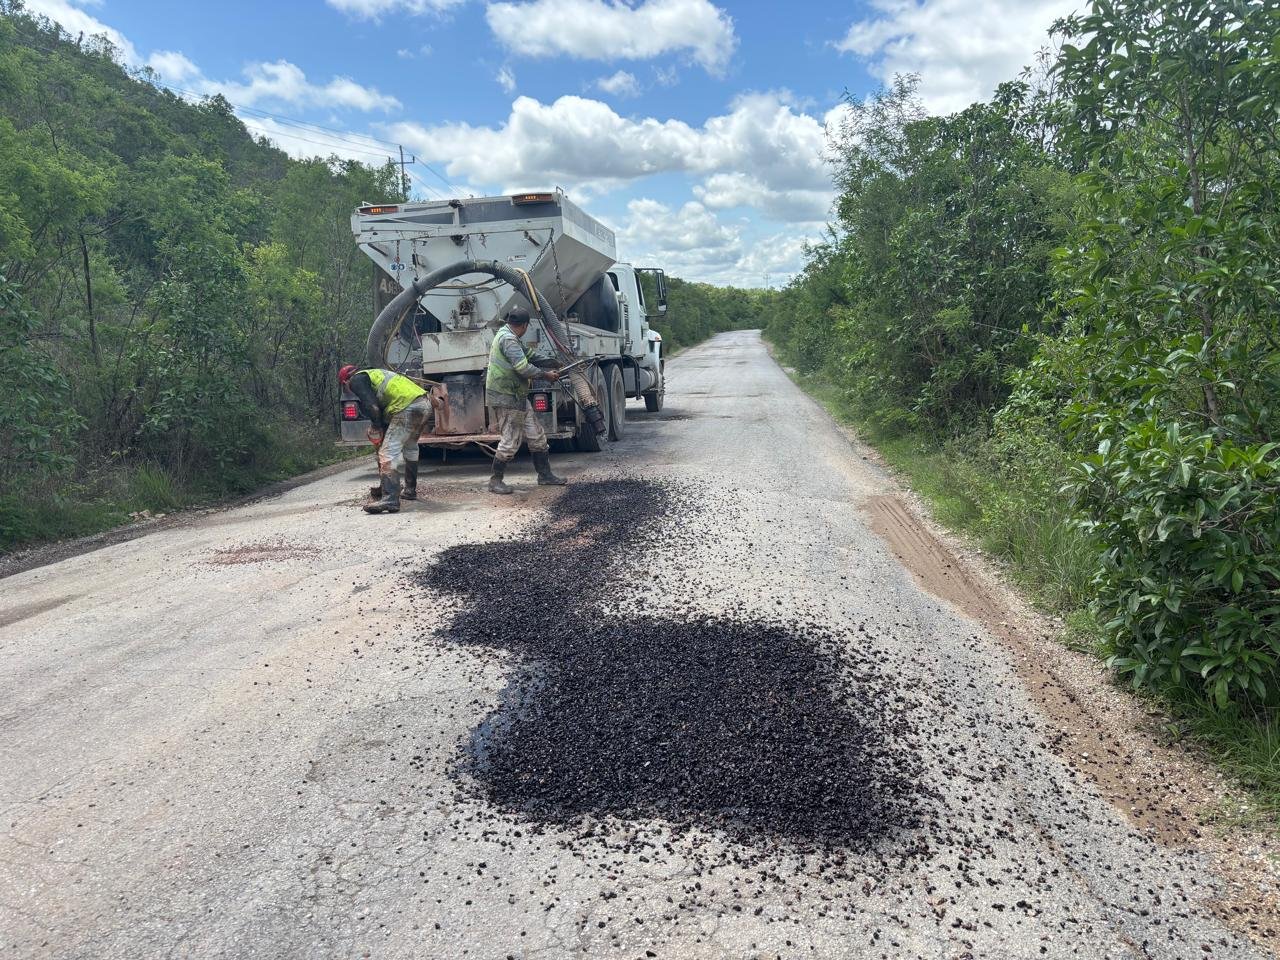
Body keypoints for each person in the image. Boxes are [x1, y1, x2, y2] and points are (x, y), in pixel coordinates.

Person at [485, 306, 567, 494]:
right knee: (510, 440)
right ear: (524, 326)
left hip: (517, 395)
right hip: (506, 396)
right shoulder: (508, 340)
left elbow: (529, 355)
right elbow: (523, 368)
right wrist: (546, 375)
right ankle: (495, 481)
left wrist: (551, 361)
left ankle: (545, 476)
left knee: (537, 436)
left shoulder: (509, 334)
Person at [338, 364, 429, 514]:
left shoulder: (357, 380)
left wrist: (376, 426)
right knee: (411, 447)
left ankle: (391, 499)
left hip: (407, 407)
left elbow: (373, 407)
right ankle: (410, 490)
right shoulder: (376, 375)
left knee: (387, 453)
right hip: (424, 404)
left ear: (344, 382)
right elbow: (384, 404)